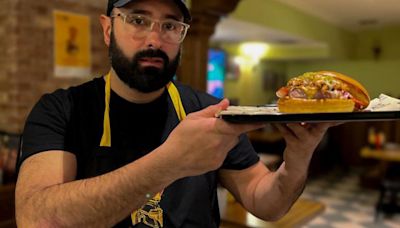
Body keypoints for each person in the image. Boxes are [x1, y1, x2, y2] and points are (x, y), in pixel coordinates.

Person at [15, 0, 338, 227]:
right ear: (107, 29)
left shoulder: (210, 112)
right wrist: (169, 162)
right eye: (138, 20)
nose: (155, 39)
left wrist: (298, 157)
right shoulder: (60, 110)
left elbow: (266, 203)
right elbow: (36, 219)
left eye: (170, 25)